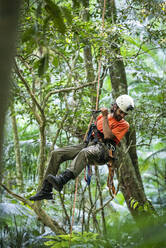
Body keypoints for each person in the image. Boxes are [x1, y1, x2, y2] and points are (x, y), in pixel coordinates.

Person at [29, 94, 134, 201]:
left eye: (124, 114)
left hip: (104, 151)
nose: (122, 115)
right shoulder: (101, 117)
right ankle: (46, 190)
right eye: (120, 112)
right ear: (115, 107)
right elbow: (91, 134)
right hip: (90, 145)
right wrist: (100, 120)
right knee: (57, 153)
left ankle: (62, 180)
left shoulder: (124, 125)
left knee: (85, 152)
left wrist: (106, 117)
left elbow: (107, 136)